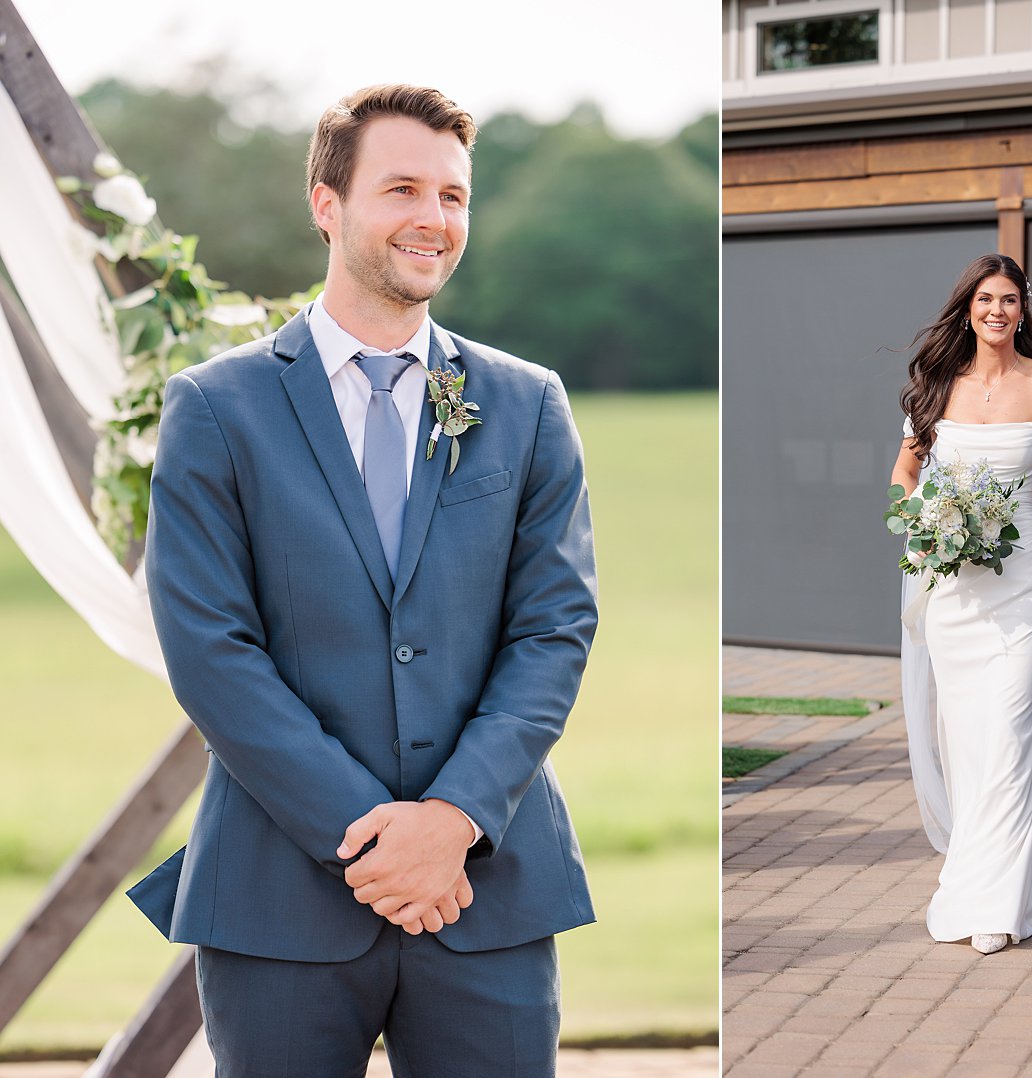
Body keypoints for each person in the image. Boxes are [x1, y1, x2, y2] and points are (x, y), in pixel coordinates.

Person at [127, 84, 598, 1074]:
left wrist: (453, 819)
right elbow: (212, 649)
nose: (434, 218)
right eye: (403, 189)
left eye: (455, 196)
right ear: (327, 203)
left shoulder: (526, 404)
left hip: (487, 888)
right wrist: (373, 839)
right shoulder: (216, 408)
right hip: (276, 899)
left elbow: (553, 626)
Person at [892, 253, 1032, 956]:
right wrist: (924, 521)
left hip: (1022, 587)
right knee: (969, 739)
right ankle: (1012, 876)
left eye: (1009, 300)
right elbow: (906, 471)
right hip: (954, 590)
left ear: (1023, 310)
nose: (997, 310)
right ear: (967, 309)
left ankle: (999, 902)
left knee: (1011, 733)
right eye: (985, 299)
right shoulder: (934, 387)